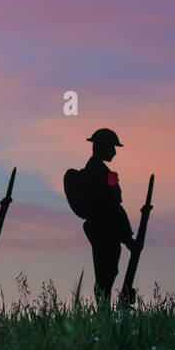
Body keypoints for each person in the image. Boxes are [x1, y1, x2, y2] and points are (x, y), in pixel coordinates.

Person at [77, 128, 138, 306]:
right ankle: (104, 312)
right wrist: (127, 238)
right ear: (101, 147)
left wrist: (127, 237)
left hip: (104, 228)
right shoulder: (99, 173)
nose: (114, 151)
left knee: (108, 272)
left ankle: (105, 311)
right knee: (105, 272)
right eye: (111, 146)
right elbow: (113, 206)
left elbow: (115, 203)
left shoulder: (104, 172)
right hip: (104, 229)